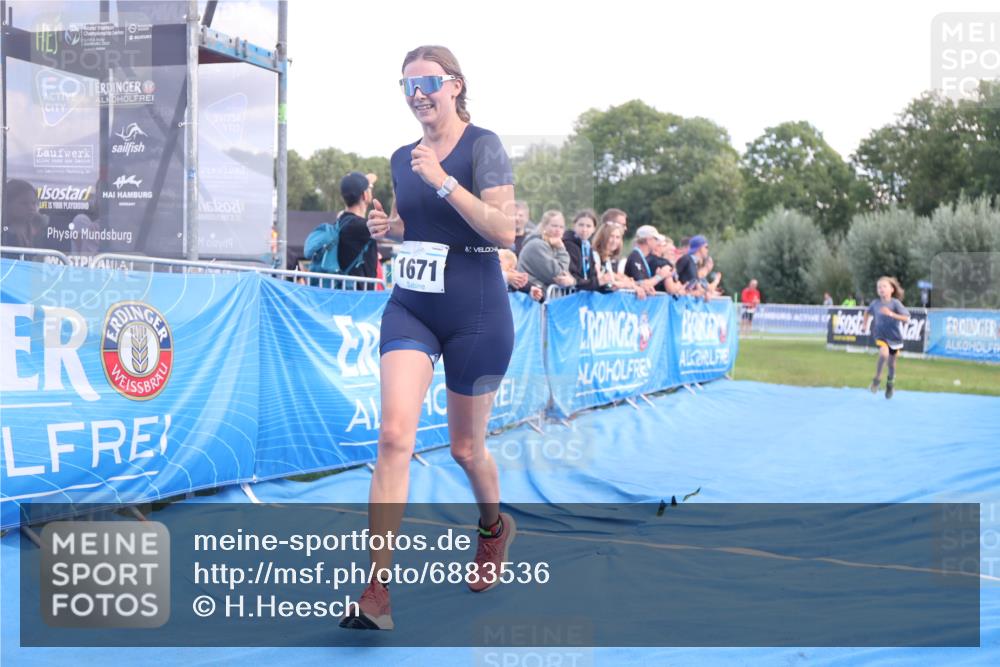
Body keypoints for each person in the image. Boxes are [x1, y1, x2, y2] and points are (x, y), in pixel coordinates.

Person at [340, 45, 517, 632]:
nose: (417, 95)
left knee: (467, 449)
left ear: (455, 86)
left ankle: (494, 529)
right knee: (394, 437)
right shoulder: (401, 157)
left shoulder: (483, 146)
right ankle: (377, 590)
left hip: (477, 309)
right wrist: (386, 230)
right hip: (412, 305)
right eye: (407, 86)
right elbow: (410, 227)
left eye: (428, 83)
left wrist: (443, 182)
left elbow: (502, 227)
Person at [862, 276, 910, 399]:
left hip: (894, 337)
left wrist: (891, 314)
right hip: (880, 335)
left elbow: (906, 318)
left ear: (892, 289)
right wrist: (864, 325)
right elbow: (867, 312)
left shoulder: (895, 303)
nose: (881, 289)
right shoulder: (875, 303)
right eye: (879, 287)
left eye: (884, 286)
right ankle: (877, 379)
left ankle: (890, 384)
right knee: (884, 354)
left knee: (892, 364)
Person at [335, 171, 379, 283]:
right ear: (365, 195)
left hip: (345, 293)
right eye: (369, 189)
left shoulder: (340, 221)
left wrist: (367, 182)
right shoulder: (362, 227)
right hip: (360, 296)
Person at [516, 210, 576, 291]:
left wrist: (572, 281)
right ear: (544, 226)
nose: (558, 230)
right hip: (533, 298)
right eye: (554, 226)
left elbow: (567, 274)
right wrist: (561, 249)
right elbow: (559, 275)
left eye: (561, 227)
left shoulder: (552, 245)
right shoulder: (537, 245)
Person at [591, 219, 638, 293]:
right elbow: (602, 282)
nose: (614, 241)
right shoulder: (594, 255)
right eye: (611, 236)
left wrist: (629, 284)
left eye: (617, 237)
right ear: (603, 237)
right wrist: (625, 284)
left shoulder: (609, 259)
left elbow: (611, 282)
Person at [562, 209, 601, 291]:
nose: (584, 229)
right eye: (581, 225)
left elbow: (592, 274)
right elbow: (573, 276)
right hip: (571, 294)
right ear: (574, 225)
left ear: (594, 229)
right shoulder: (569, 245)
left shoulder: (588, 246)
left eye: (588, 226)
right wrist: (596, 282)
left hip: (583, 291)